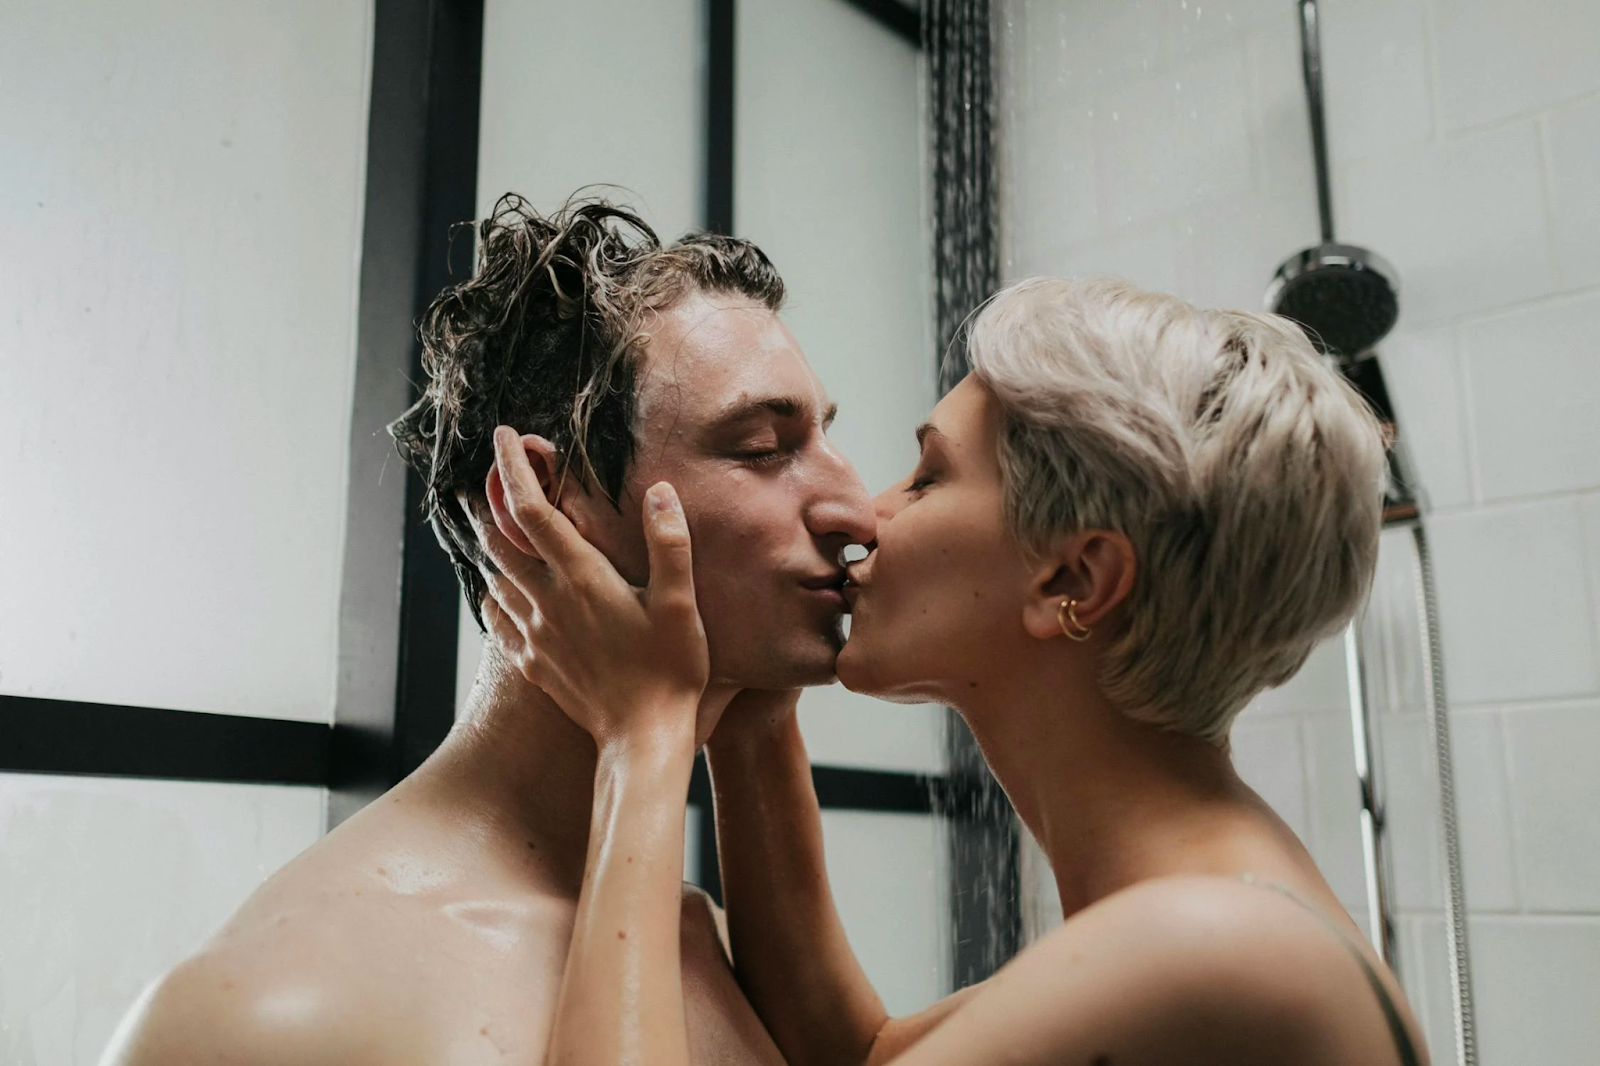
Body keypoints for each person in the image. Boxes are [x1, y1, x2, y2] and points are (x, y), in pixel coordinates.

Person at [479, 276, 1432, 1066]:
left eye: (928, 476)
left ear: (1075, 577)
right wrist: (753, 708)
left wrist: (643, 736)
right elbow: (859, 1054)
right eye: (767, 452)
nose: (863, 511)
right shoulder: (1223, 903)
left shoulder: (1212, 948)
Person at [100, 194, 875, 1066]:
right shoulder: (280, 1012)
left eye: (827, 442)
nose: (857, 511)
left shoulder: (710, 945)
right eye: (764, 448)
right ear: (537, 504)